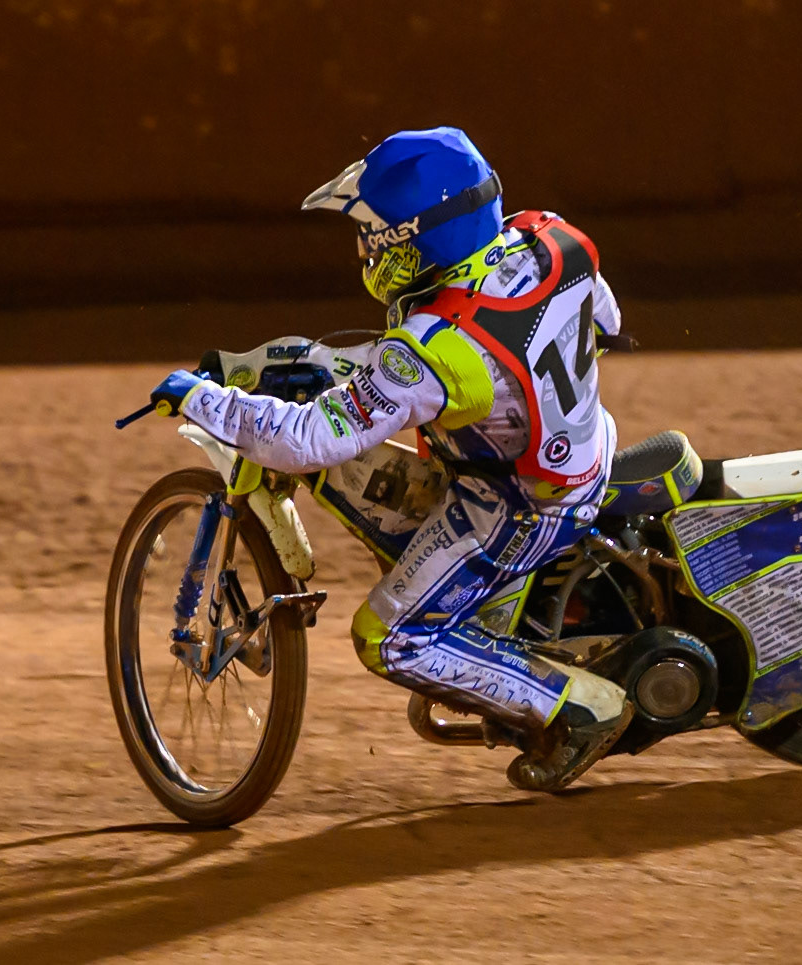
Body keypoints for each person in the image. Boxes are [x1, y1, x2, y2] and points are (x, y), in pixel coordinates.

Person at [148, 127, 633, 791]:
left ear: (420, 239)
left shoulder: (435, 349)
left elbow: (305, 441)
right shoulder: (548, 237)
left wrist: (205, 401)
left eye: (377, 237)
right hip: (582, 446)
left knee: (387, 636)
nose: (366, 249)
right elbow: (604, 323)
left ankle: (573, 705)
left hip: (517, 505)